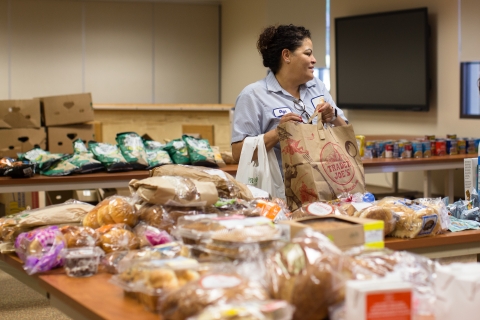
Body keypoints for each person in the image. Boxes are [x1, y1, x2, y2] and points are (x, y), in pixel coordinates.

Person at [231, 24, 348, 170]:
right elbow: (237, 154)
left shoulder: (317, 86)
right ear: (286, 55)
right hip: (278, 188)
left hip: (323, 183)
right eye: (307, 53)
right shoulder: (253, 95)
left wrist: (333, 116)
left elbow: (346, 134)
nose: (314, 60)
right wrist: (278, 133)